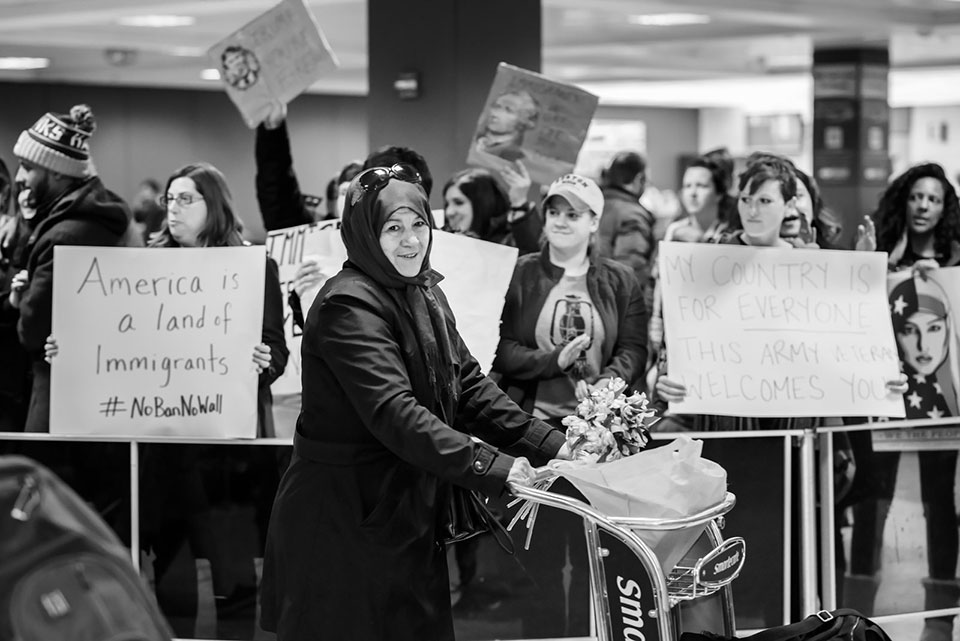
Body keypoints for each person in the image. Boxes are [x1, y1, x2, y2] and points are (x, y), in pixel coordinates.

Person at [259, 163, 569, 641]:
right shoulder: (348, 305)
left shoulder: (423, 288)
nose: (410, 241)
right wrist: (498, 467)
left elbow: (466, 384)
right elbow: (396, 414)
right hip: (344, 521)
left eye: (419, 224)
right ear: (364, 232)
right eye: (393, 228)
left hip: (402, 514)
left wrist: (553, 444)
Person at [492, 173, 647, 637]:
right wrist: (551, 360)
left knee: (595, 555)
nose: (560, 221)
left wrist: (602, 393)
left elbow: (636, 350)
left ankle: (590, 632)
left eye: (572, 214)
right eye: (554, 211)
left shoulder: (620, 279)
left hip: (601, 443)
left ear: (594, 221)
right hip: (535, 434)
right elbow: (496, 348)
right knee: (537, 556)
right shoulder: (519, 273)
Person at [847, 162, 960, 641]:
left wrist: (947, 278)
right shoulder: (879, 249)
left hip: (944, 406)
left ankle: (940, 618)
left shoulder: (956, 257)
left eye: (933, 199)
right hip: (883, 401)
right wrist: (868, 265)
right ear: (903, 199)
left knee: (941, 502)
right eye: (917, 196)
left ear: (944, 207)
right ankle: (854, 615)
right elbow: (851, 309)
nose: (923, 207)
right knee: (874, 498)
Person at [8, 104, 138, 432]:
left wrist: (19, 301)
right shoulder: (105, 217)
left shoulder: (63, 236)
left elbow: (31, 329)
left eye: (27, 167)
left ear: (57, 171)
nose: (19, 178)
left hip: (57, 394)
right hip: (112, 390)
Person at [150, 162, 288, 437]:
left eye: (185, 199)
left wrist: (265, 361)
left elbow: (277, 350)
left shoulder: (255, 266)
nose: (173, 207)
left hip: (233, 426)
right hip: (162, 422)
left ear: (213, 204)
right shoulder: (147, 269)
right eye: (170, 199)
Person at [596, 151, 656, 305]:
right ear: (639, 179)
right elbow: (630, 269)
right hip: (615, 307)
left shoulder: (594, 206)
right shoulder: (632, 215)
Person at [442, 164, 542, 254]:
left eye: (459, 203)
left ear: (483, 204)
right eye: (447, 204)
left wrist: (519, 203)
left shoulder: (509, 244)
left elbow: (533, 257)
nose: (449, 212)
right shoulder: (440, 241)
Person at [474, 90, 539, 162]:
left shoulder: (514, 156)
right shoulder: (475, 139)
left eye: (508, 110)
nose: (495, 114)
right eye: (496, 107)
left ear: (523, 121)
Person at [131, 178, 166, 243]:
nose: (142, 192)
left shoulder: (158, 209)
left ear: (154, 191)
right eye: (141, 190)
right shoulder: (144, 208)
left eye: (146, 189)